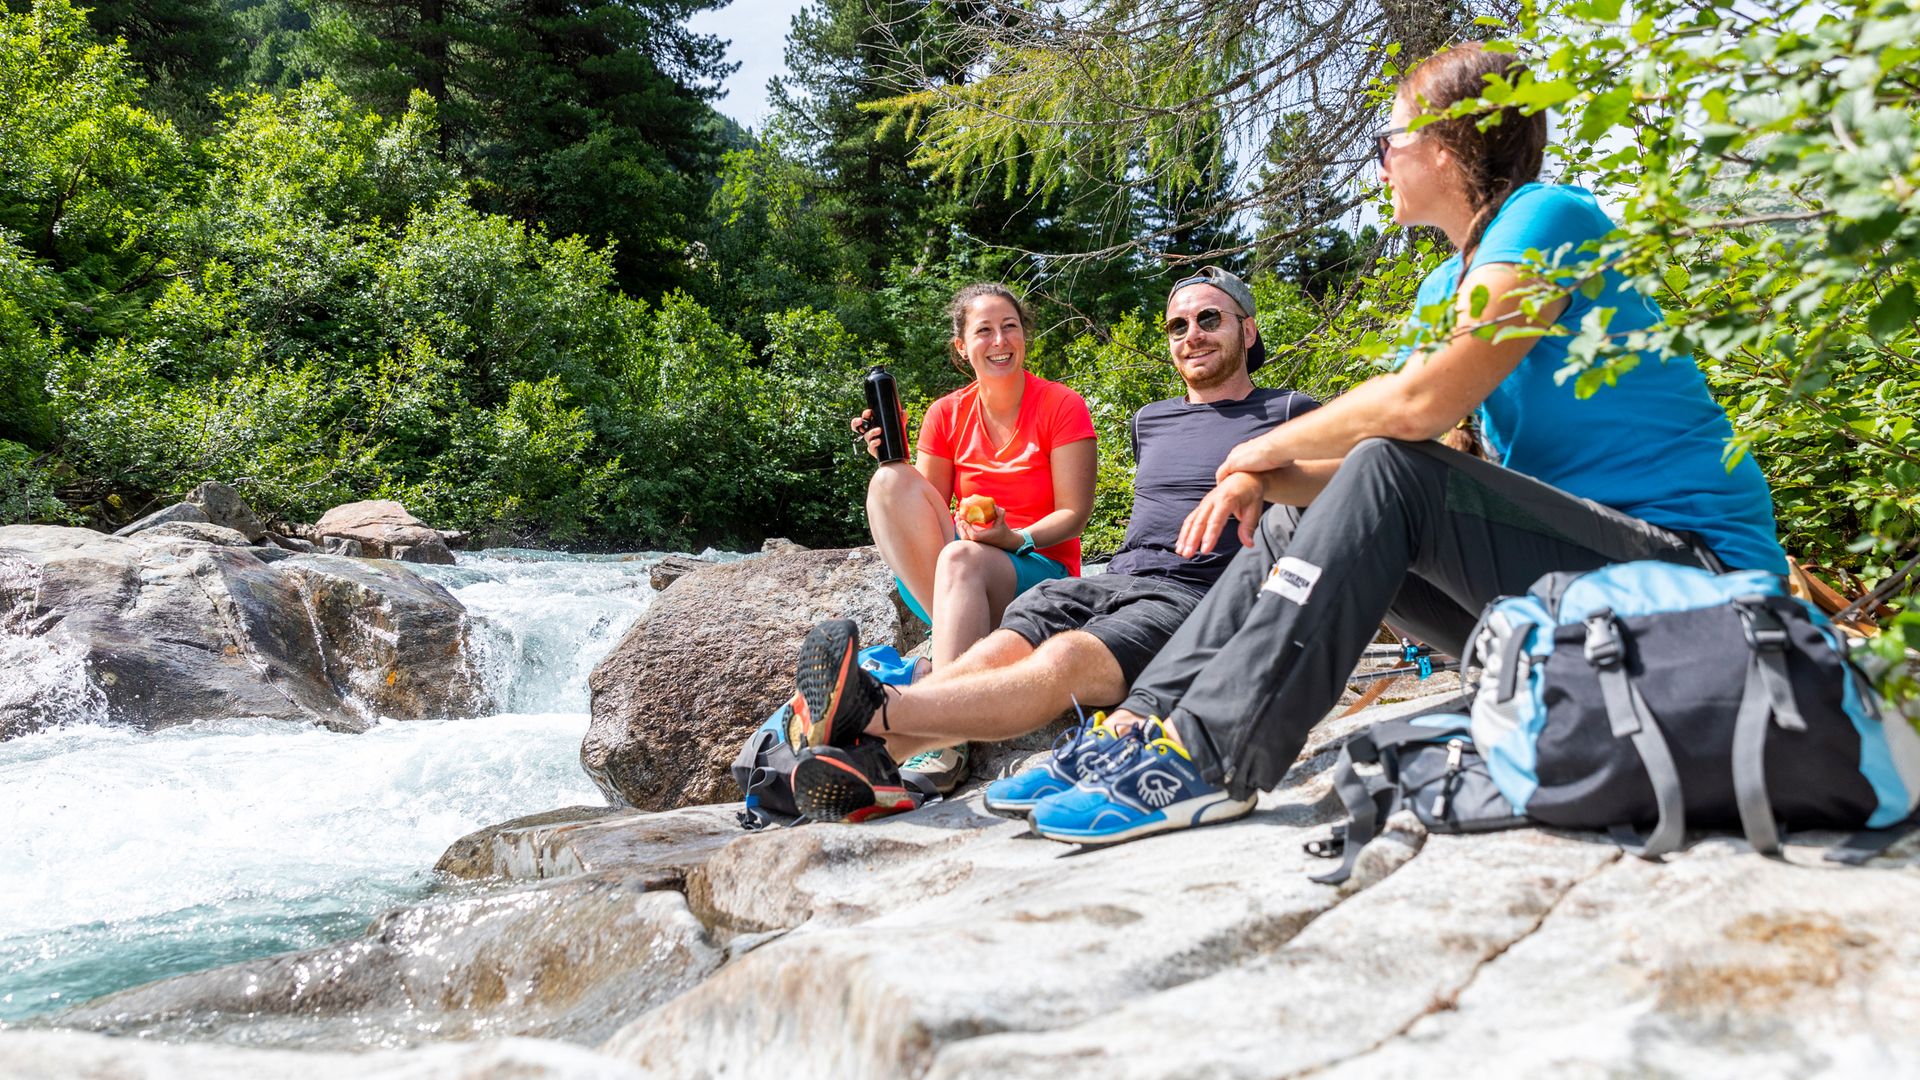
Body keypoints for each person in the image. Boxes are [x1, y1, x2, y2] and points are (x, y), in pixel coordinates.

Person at [1016, 42, 1790, 846]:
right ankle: (1141, 729)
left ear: (1447, 148)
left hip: (1696, 591)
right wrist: (1267, 485)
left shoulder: (1550, 215)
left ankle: (1215, 759)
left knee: (1387, 464)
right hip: (1566, 600)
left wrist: (1252, 451)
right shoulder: (1440, 288)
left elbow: (1417, 410)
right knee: (1294, 517)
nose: (1379, 162)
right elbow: (1399, 472)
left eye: (1388, 142)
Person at [782, 267, 1320, 821]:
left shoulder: (1288, 413)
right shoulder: (1151, 419)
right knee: (1005, 645)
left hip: (1198, 593)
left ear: (1248, 332)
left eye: (1209, 319)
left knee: (1064, 654)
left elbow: (1341, 494)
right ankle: (877, 763)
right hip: (1113, 579)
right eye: (1177, 325)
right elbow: (926, 502)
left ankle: (877, 715)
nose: (1192, 335)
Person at [840, 282, 1096, 787]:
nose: (999, 340)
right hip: (960, 580)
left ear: (1024, 336)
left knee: (960, 558)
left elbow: (1074, 514)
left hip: (1040, 573)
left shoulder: (1063, 405)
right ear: (962, 346)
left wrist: (1012, 538)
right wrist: (890, 456)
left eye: (1010, 327)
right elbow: (923, 507)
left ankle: (942, 729)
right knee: (890, 482)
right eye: (984, 330)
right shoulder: (946, 413)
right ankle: (962, 656)